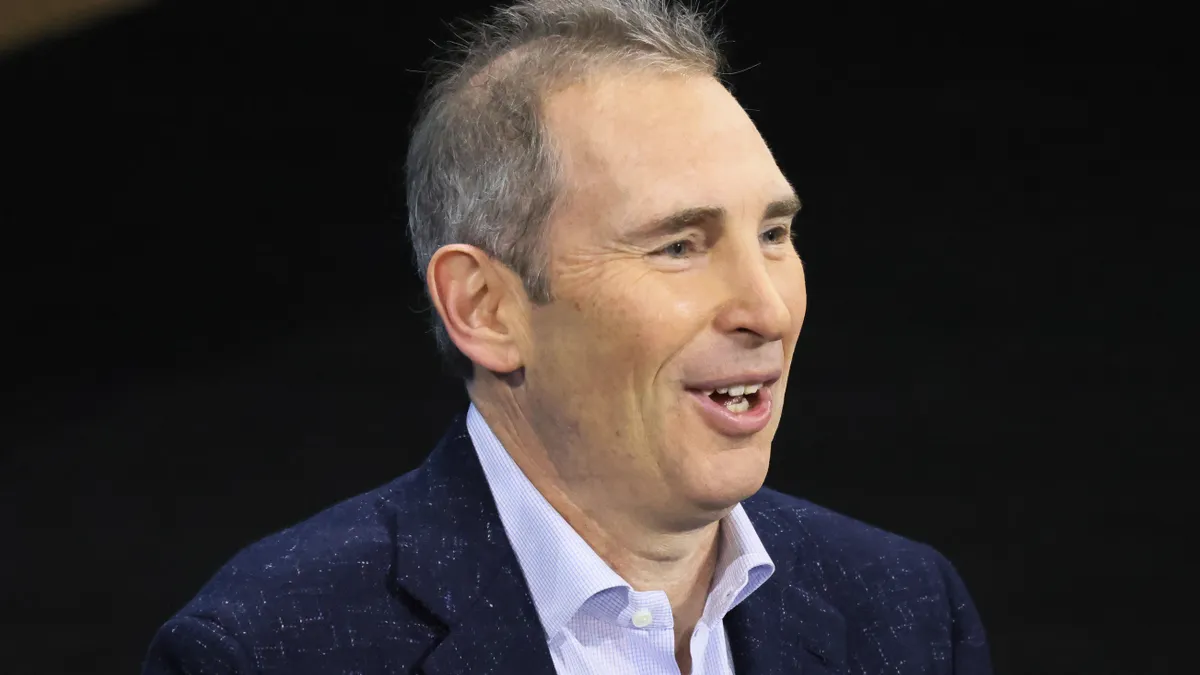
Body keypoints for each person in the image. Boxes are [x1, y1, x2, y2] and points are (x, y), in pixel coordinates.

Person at [144, 0, 992, 673]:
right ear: (484, 307)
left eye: (774, 233)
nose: (766, 308)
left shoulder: (906, 610)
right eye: (679, 245)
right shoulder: (270, 648)